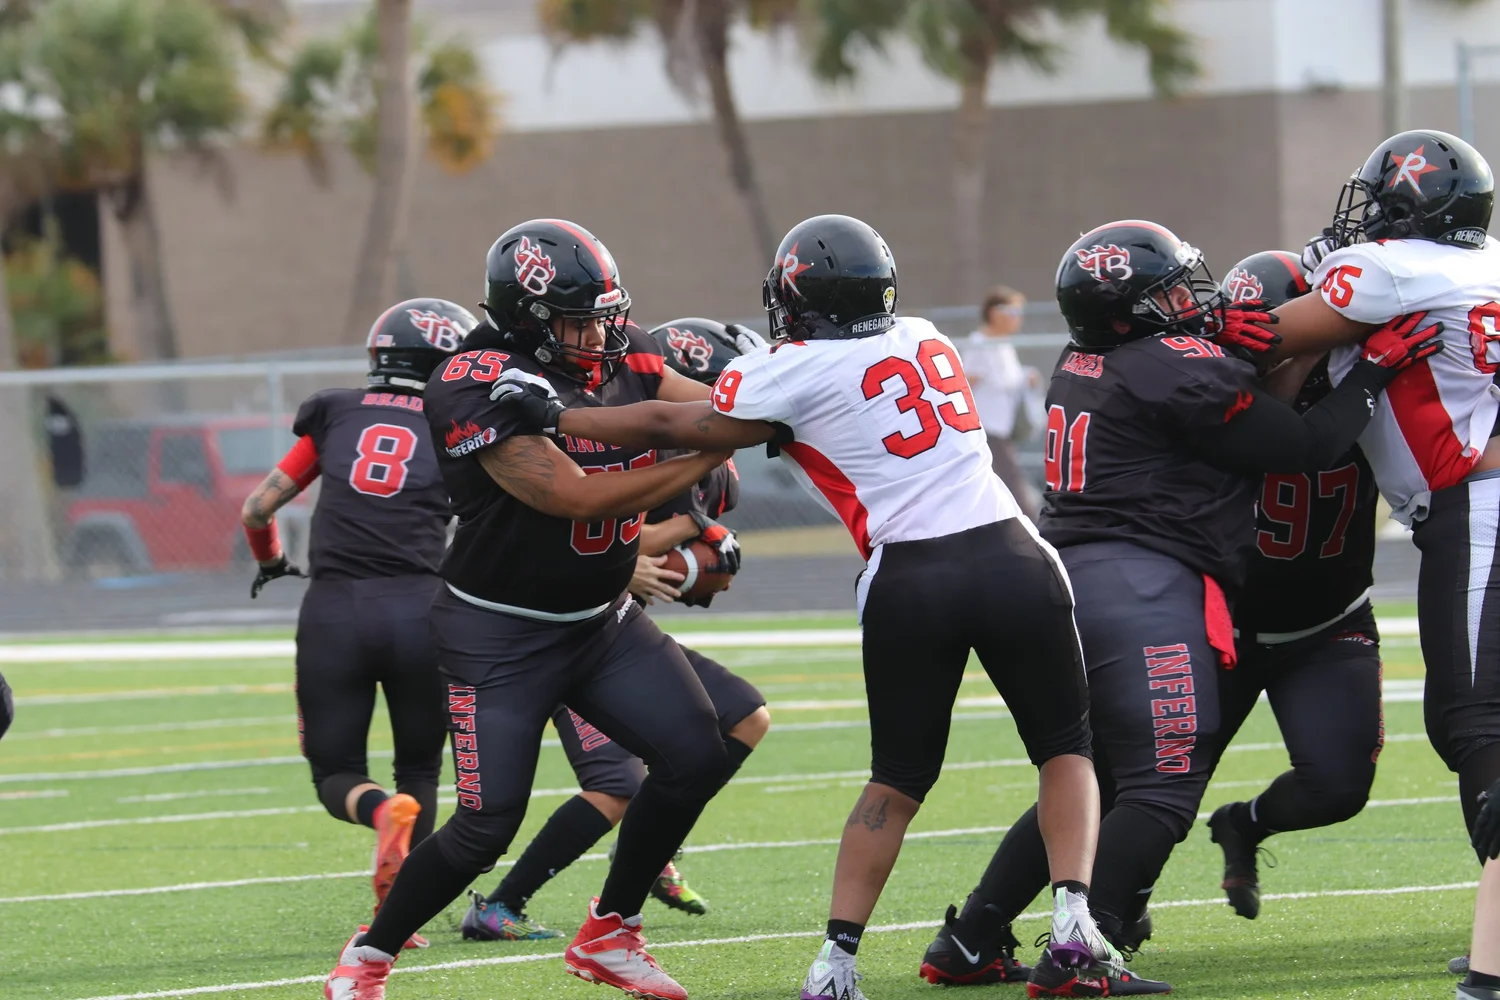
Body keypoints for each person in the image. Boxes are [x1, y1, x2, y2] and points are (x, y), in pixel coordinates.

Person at [492, 213, 1145, 1000]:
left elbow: (678, 421)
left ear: (799, 297)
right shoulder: (925, 335)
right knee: (1066, 750)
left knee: (896, 781)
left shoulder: (791, 367)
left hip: (912, 579)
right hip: (1013, 558)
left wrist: (553, 414)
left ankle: (835, 965)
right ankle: (1074, 927)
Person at [911, 220, 1439, 993]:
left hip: (1154, 588)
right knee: (1156, 784)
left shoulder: (1107, 355)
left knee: (1109, 777)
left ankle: (974, 936)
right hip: (1156, 592)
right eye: (1175, 295)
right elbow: (1298, 445)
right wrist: (1371, 368)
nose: (1200, 307)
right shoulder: (1182, 369)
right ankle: (1085, 946)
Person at [324, 219, 739, 1000]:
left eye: (606, 315)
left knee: (697, 756)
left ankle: (611, 931)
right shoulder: (470, 380)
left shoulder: (626, 349)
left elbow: (703, 406)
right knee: (486, 824)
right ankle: (369, 957)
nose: (602, 335)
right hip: (499, 633)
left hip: (601, 621)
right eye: (581, 321)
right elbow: (572, 495)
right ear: (529, 321)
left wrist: (763, 410)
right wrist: (714, 450)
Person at [1209, 129, 1498, 1000]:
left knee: (1474, 723)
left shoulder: (1391, 269)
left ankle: (1495, 957)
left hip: (1477, 509)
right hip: (1471, 500)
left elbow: (1254, 339)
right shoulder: (1485, 267)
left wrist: (1288, 285)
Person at [460, 317, 770, 942]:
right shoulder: (616, 437)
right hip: (555, 632)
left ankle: (654, 850)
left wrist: (696, 560)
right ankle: (499, 904)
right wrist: (671, 546)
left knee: (745, 717)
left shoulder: (709, 466)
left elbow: (677, 559)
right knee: (615, 786)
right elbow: (580, 530)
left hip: (617, 631)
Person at [241, 297, 473, 947]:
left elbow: (256, 510)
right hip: (422, 610)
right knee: (420, 769)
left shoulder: (337, 412)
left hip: (334, 610)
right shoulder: (459, 430)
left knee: (335, 773)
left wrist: (273, 562)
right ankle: (401, 916)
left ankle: (380, 812)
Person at [1201, 251, 1384, 921]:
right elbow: (1273, 435)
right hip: (1220, 625)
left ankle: (1244, 823)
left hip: (1328, 621)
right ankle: (1112, 908)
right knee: (1153, 788)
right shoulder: (1203, 387)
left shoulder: (1372, 384)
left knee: (1338, 786)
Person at [961, 286, 1041, 518]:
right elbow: (965, 384)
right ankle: (1033, 531)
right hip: (987, 430)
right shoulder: (979, 343)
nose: (1018, 318)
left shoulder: (1003, 344)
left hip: (1001, 430)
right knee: (1014, 488)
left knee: (1003, 487)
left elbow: (1007, 379)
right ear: (995, 313)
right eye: (1013, 312)